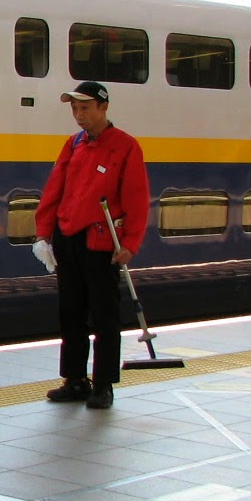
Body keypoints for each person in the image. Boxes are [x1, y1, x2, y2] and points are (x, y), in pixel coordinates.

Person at [33, 81, 150, 409]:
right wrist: (44, 234)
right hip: (68, 238)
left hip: (101, 243)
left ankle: (103, 385)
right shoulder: (73, 145)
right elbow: (54, 190)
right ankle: (74, 379)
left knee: (104, 315)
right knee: (70, 312)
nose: (79, 115)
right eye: (74, 109)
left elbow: (137, 200)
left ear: (103, 107)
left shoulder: (126, 146)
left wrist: (130, 243)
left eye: (85, 108)